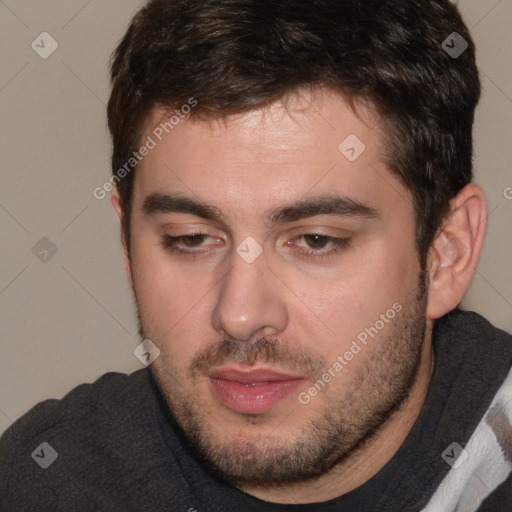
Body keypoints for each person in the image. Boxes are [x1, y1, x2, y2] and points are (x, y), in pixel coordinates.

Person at [1, 0, 511, 510]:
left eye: (316, 240)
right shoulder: (45, 482)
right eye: (191, 238)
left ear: (446, 253)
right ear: (128, 242)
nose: (240, 315)